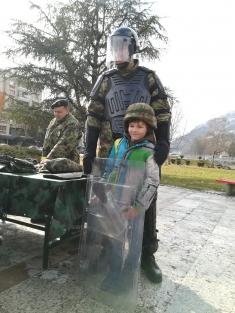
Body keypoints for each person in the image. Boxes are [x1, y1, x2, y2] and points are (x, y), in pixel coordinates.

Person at [84, 26, 171, 283]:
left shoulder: (148, 78)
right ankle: (107, 251)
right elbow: (93, 114)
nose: (117, 51)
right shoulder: (106, 79)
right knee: (107, 200)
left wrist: (163, 142)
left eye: (122, 46)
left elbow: (162, 112)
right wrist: (88, 150)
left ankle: (147, 254)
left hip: (143, 152)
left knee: (146, 200)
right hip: (111, 150)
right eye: (114, 46)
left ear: (132, 48)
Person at [98, 103, 160, 292]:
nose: (135, 129)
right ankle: (114, 272)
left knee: (134, 245)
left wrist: (138, 206)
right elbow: (109, 169)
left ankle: (128, 276)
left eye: (140, 126)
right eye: (132, 125)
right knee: (115, 240)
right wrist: (101, 192)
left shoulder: (149, 152)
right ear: (127, 126)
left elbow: (152, 181)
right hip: (114, 203)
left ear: (148, 128)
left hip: (133, 208)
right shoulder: (118, 144)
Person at [42, 98, 82, 163]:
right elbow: (46, 141)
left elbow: (64, 144)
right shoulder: (53, 122)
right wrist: (43, 159)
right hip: (51, 161)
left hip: (67, 163)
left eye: (59, 112)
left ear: (67, 111)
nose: (56, 114)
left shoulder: (72, 123)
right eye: (55, 111)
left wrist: (49, 159)